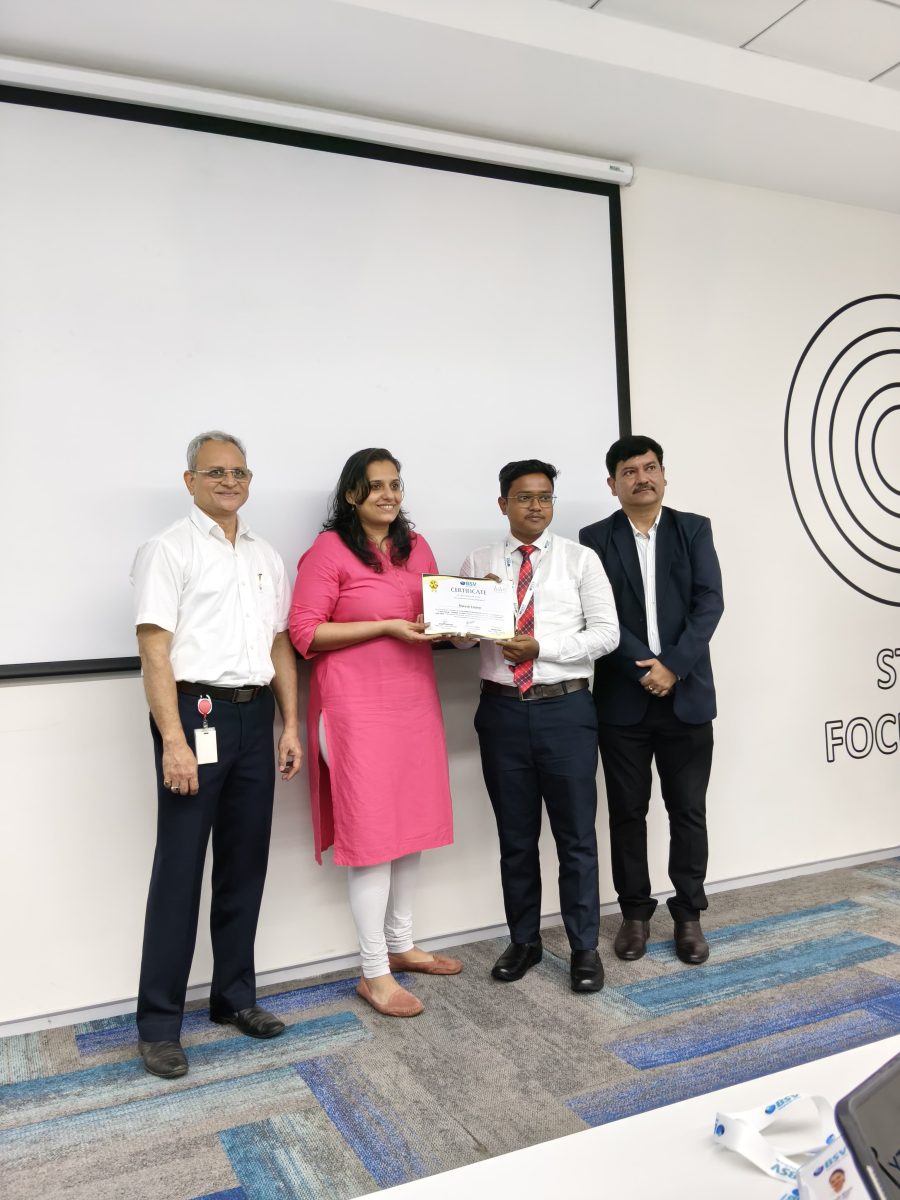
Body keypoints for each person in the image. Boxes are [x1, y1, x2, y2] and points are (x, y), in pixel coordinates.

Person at [131, 431, 303, 1079]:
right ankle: (159, 1026)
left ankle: (234, 998)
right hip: (193, 715)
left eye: (239, 472)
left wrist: (290, 723)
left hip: (255, 715)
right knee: (179, 872)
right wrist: (173, 740)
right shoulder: (167, 549)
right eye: (215, 472)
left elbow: (279, 643)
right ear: (190, 481)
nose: (230, 482)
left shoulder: (264, 554)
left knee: (244, 863)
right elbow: (154, 651)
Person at [289, 448, 459, 1019]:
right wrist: (385, 626)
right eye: (376, 486)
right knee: (373, 835)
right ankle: (373, 972)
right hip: (353, 710)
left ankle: (402, 945)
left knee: (409, 828)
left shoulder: (418, 547)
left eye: (395, 484)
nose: (389, 495)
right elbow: (305, 633)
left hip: (413, 703)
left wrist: (464, 621)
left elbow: (435, 620)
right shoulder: (328, 551)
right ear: (351, 495)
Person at [460, 459, 619, 992]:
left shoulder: (580, 560)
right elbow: (457, 638)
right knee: (515, 837)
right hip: (502, 711)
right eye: (524, 497)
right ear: (502, 503)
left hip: (566, 711)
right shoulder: (479, 560)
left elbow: (606, 635)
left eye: (544, 497)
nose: (535, 506)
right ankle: (524, 940)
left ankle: (584, 948)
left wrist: (541, 648)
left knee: (576, 838)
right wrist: (472, 611)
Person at [579, 435, 723, 965]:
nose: (642, 478)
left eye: (650, 467)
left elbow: (709, 603)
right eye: (629, 471)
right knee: (626, 813)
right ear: (612, 483)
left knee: (688, 812)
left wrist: (673, 667)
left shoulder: (694, 529)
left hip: (687, 696)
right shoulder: (595, 539)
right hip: (624, 698)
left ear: (663, 474)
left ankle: (689, 916)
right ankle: (635, 914)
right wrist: (646, 667)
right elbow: (598, 614)